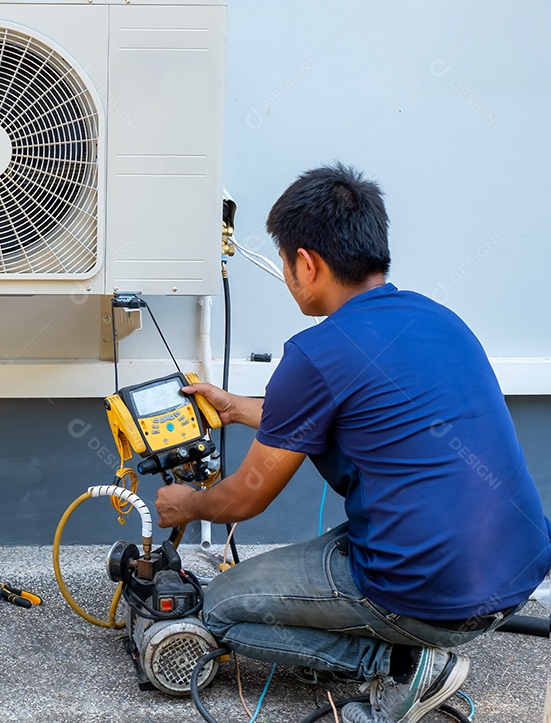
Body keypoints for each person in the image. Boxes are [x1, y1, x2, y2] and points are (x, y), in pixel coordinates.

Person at [154, 163, 551, 723]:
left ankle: (403, 666)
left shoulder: (314, 353)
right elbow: (362, 406)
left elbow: (245, 498)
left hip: (426, 593)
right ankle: (416, 646)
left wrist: (187, 504)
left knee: (216, 608)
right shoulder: (438, 318)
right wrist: (241, 410)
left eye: (288, 263)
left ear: (307, 264)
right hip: (517, 569)